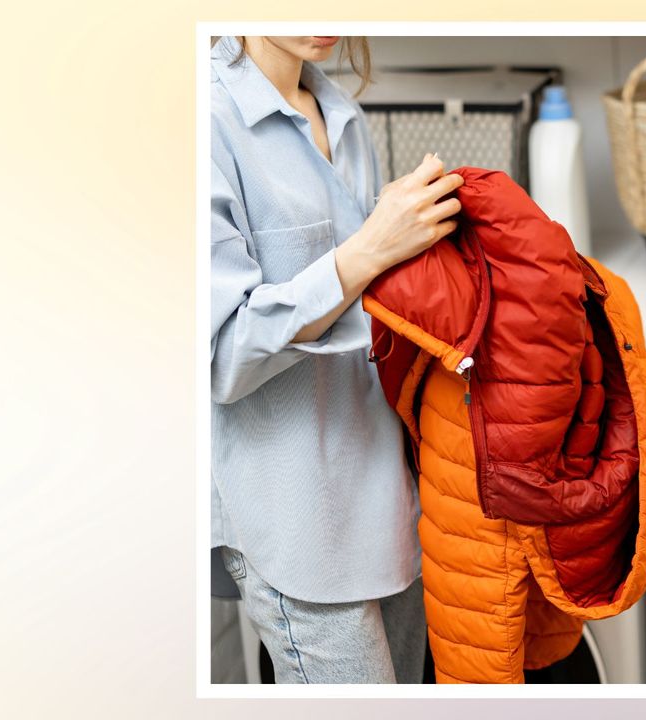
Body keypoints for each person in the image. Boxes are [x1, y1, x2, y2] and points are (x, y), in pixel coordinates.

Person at [208, 35, 463, 684]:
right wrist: (369, 250)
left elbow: (369, 310)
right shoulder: (203, 122)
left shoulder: (341, 111)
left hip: (388, 498)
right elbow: (223, 357)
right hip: (295, 523)